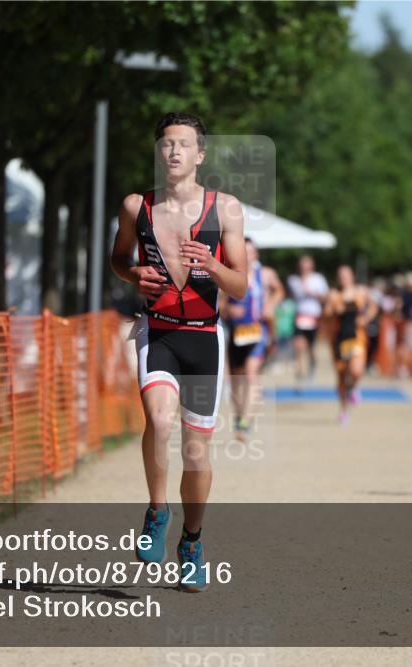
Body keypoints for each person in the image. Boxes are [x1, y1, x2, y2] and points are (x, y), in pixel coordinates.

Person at [110, 112, 247, 591]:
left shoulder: (226, 209)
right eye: (166, 144)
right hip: (159, 330)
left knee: (196, 452)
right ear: (158, 152)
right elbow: (119, 258)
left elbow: (242, 288)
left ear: (199, 155)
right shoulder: (136, 206)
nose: (173, 152)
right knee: (159, 421)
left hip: (205, 337)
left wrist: (212, 262)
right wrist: (132, 276)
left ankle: (192, 540)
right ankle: (156, 511)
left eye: (183, 144)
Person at [224, 238, 281, 439]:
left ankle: (246, 421)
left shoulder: (265, 275)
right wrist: (229, 309)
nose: (248, 255)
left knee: (250, 374)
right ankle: (240, 416)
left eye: (251, 252)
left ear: (256, 255)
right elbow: (219, 303)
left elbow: (279, 290)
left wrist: (270, 304)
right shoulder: (228, 274)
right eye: (244, 251)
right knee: (235, 382)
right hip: (236, 334)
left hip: (258, 332)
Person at [324, 265, 377, 424]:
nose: (343, 278)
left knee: (355, 370)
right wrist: (334, 309)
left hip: (356, 337)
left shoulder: (361, 291)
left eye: (346, 275)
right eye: (340, 275)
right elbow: (326, 314)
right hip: (338, 339)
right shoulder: (333, 294)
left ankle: (353, 387)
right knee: (341, 375)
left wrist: (365, 318)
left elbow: (374, 307)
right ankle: (344, 410)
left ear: (352, 275)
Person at [287, 255, 329, 388]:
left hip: (314, 318)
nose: (304, 267)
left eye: (307, 264)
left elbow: (325, 297)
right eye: (302, 264)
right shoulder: (293, 280)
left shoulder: (318, 279)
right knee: (298, 347)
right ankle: (300, 374)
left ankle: (312, 369)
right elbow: (291, 296)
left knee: (312, 348)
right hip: (300, 316)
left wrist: (314, 294)